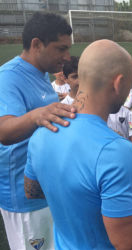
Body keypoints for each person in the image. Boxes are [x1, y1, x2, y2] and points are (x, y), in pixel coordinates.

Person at [24, 39, 132, 249]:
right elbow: (130, 244)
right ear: (118, 83)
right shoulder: (116, 150)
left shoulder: (41, 132)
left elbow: (32, 191)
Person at [0, 12, 76, 250]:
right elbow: (4, 131)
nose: (67, 57)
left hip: (45, 188)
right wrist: (37, 116)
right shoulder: (8, 77)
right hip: (23, 199)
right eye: (60, 49)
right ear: (36, 44)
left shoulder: (42, 75)